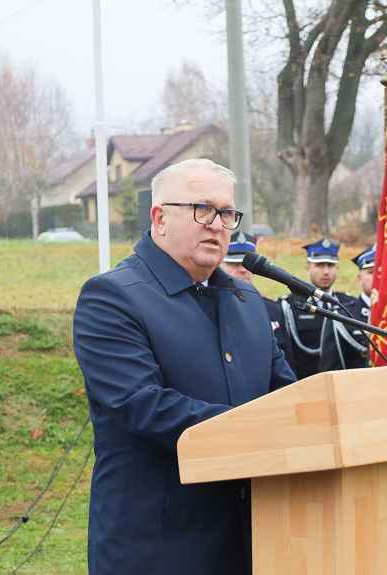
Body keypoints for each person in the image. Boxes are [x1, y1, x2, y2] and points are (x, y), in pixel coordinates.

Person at [72, 158, 297, 575]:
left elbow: (287, 395)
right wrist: (260, 428)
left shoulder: (245, 304)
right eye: (202, 209)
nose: (217, 224)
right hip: (158, 545)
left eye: (227, 213)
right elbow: (145, 407)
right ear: (159, 218)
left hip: (256, 537)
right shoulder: (111, 298)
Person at [221, 231, 296, 375]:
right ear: (220, 265)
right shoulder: (209, 307)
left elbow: (287, 365)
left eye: (248, 265)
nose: (243, 270)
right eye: (234, 263)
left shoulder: (273, 309)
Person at [278, 238, 356, 379]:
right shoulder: (289, 305)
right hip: (304, 383)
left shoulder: (348, 304)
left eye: (330, 265)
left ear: (337, 269)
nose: (326, 272)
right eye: (319, 265)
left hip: (341, 383)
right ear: (308, 269)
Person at [317, 244, 374, 371]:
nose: (378, 277)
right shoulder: (341, 316)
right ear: (360, 279)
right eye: (371, 272)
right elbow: (330, 369)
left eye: (383, 272)